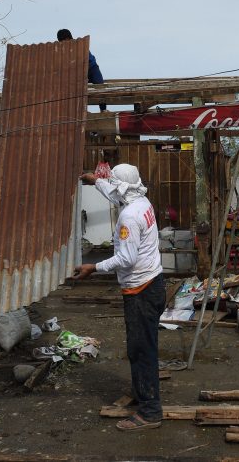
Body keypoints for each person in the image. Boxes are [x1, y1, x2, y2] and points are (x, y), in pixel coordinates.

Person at [72, 164, 165, 432]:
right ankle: (142, 392)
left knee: (141, 349)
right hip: (152, 284)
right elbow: (115, 194)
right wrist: (95, 181)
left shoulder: (129, 217)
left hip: (141, 291)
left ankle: (150, 412)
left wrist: (94, 267)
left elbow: (127, 258)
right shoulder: (141, 200)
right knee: (140, 346)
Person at [57, 28, 107, 112]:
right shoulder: (63, 50)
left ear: (68, 38)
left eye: (64, 40)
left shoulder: (80, 45)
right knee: (78, 90)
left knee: (100, 87)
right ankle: (83, 111)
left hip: (92, 68)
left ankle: (103, 109)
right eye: (61, 42)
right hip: (78, 72)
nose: (63, 43)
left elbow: (87, 60)